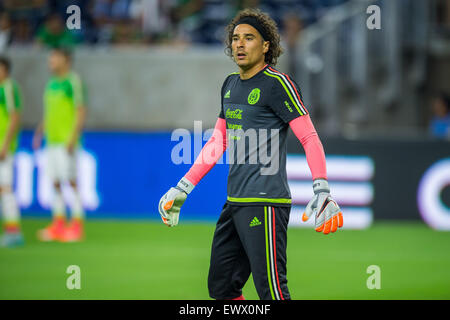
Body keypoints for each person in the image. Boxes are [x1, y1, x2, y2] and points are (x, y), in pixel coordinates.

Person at [158, 8, 343, 300]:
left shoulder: (277, 84)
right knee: (222, 288)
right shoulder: (230, 85)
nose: (239, 44)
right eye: (235, 38)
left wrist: (321, 188)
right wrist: (184, 186)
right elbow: (218, 141)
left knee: (272, 292)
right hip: (234, 204)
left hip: (266, 204)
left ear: (266, 45)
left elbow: (308, 136)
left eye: (249, 38)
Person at [33, 48, 86, 243]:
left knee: (71, 182)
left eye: (55, 57)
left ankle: (77, 226)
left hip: (66, 142)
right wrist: (39, 132)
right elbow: (49, 113)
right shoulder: (51, 84)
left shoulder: (73, 82)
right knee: (55, 182)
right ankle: (58, 225)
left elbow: (81, 110)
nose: (51, 60)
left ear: (66, 60)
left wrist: (73, 137)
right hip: (52, 141)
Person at [0, 56, 23, 247]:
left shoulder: (8, 87)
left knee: (5, 188)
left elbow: (15, 116)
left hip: (3, 148)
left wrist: (5, 145)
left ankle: (14, 232)